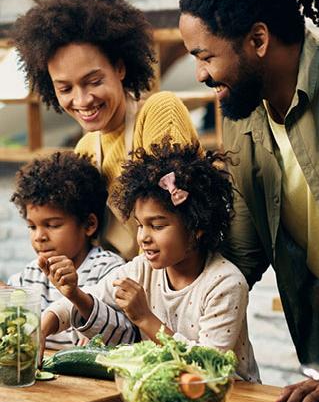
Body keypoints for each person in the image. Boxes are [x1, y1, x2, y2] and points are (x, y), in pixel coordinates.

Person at [179, 0, 319, 402]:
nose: (201, 75)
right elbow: (242, 251)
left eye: (206, 56)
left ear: (258, 40)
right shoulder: (243, 116)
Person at [39, 138, 260, 382]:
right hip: (168, 394)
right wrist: (43, 327)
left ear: (196, 227)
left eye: (157, 225)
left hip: (231, 397)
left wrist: (145, 318)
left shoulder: (225, 283)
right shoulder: (142, 268)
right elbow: (92, 295)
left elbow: (208, 366)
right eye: (140, 225)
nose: (143, 237)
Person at [12, 0, 200, 261]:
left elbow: (174, 222)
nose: (82, 100)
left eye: (94, 81)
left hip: (177, 289)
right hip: (116, 293)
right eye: (65, 88)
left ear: (120, 68)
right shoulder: (86, 147)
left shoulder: (160, 111)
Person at [7, 151, 136, 350]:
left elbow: (126, 334)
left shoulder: (108, 270)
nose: (39, 236)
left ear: (89, 224)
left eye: (53, 225)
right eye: (32, 227)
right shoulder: (30, 275)